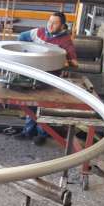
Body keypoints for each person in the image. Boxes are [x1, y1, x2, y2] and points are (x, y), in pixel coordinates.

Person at [14, 11, 78, 145]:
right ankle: (28, 131)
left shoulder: (65, 41)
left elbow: (74, 63)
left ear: (62, 26)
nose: (50, 25)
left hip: (50, 78)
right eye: (49, 22)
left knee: (44, 106)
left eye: (54, 23)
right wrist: (25, 53)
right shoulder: (39, 32)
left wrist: (65, 63)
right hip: (34, 75)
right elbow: (22, 37)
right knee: (31, 104)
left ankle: (42, 134)